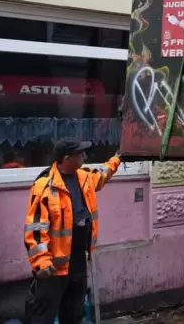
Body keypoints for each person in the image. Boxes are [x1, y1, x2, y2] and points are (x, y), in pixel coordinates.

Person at [24, 138, 121, 324]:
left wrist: (116, 159)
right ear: (67, 158)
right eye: (80, 154)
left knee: (74, 312)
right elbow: (35, 227)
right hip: (53, 265)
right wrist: (41, 261)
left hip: (78, 259)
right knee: (43, 314)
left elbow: (102, 174)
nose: (84, 156)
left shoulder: (84, 176)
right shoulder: (45, 186)